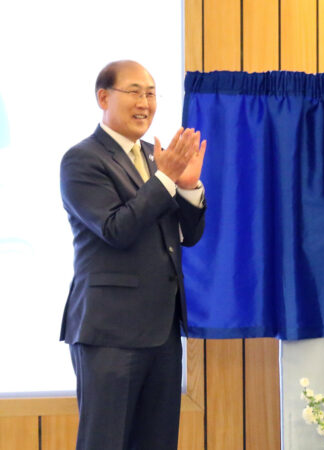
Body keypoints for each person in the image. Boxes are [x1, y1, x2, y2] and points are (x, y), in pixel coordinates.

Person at [59, 60, 207, 449]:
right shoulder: (82, 160)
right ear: (103, 97)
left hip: (161, 330)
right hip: (109, 334)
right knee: (105, 441)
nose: (145, 102)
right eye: (135, 92)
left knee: (157, 442)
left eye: (152, 93)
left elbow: (186, 236)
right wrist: (164, 179)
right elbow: (116, 229)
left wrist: (188, 187)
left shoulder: (157, 157)